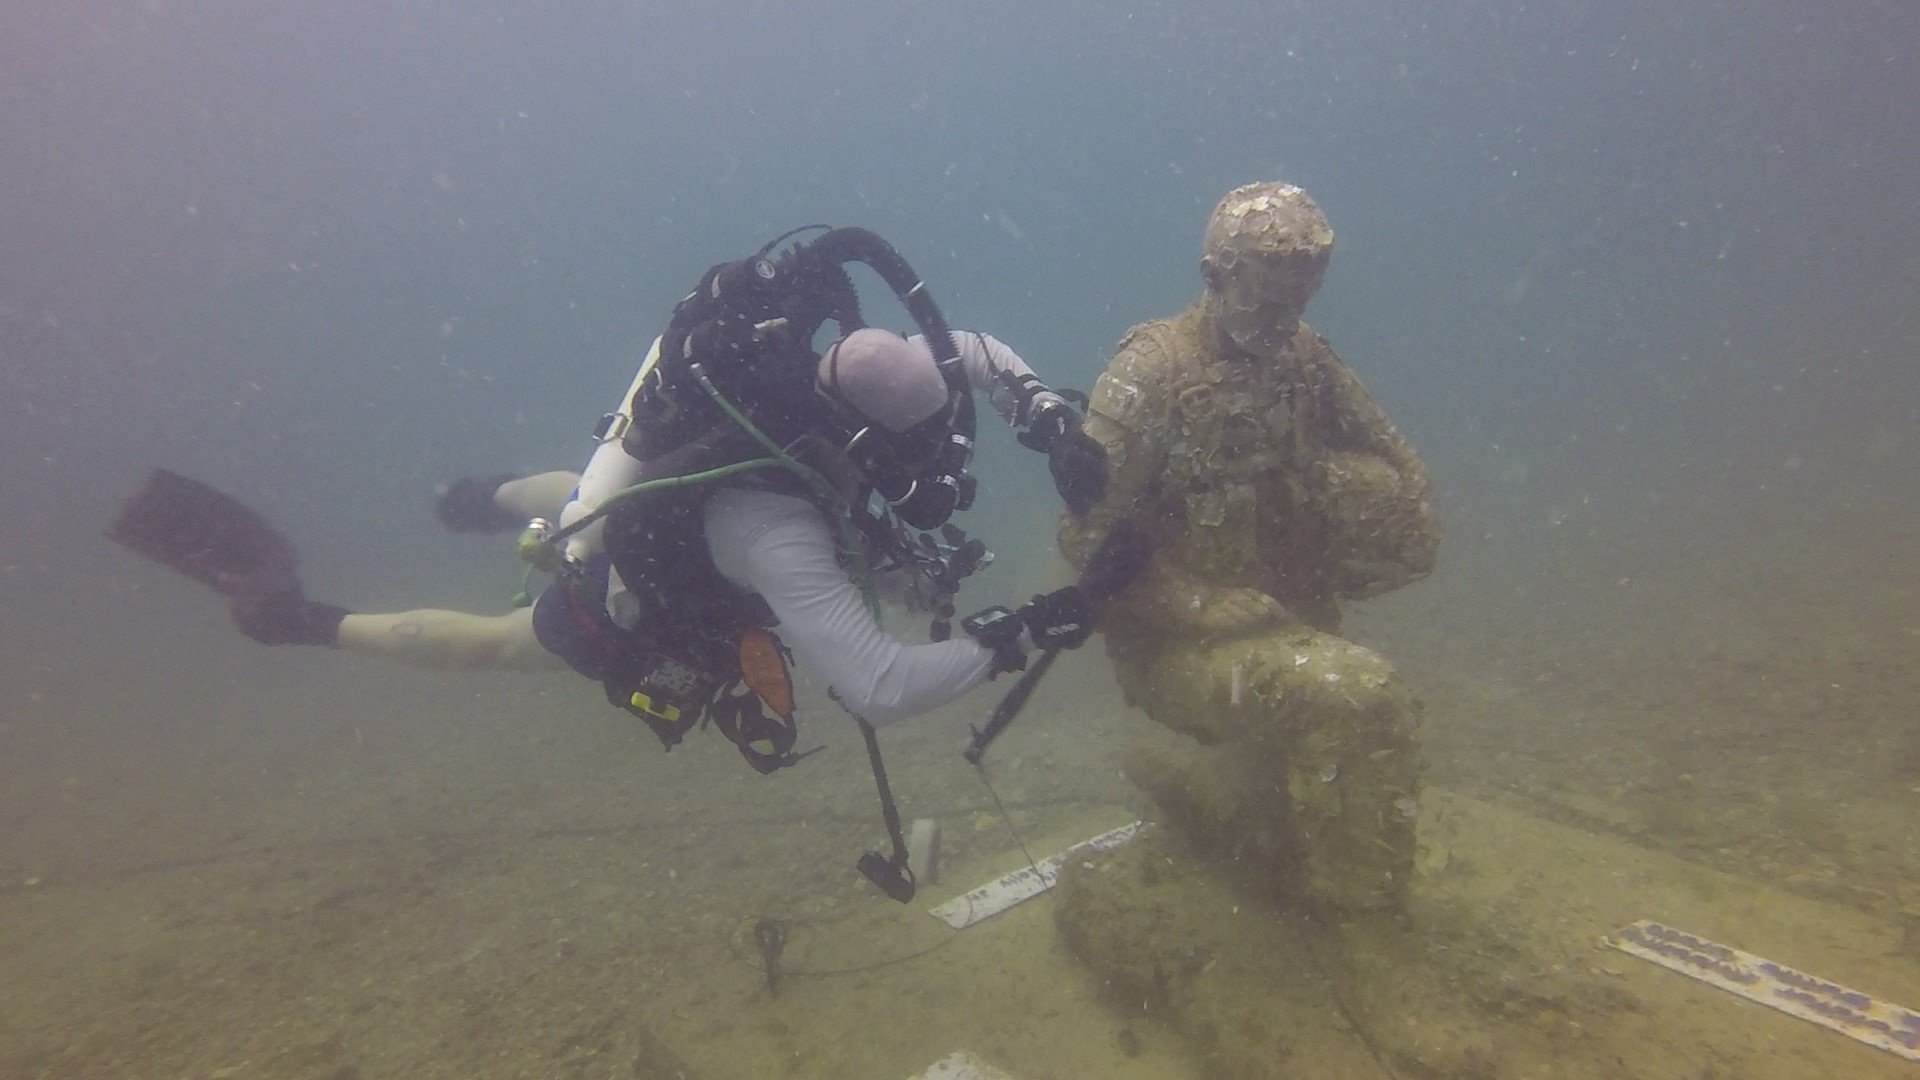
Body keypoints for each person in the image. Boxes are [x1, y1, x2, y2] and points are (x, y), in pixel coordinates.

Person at [117, 227, 1122, 898]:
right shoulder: (776, 529)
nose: (940, 470)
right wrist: (1026, 629)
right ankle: (300, 619)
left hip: (650, 493)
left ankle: (482, 496)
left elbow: (976, 353)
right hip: (641, 583)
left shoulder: (866, 369)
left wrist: (1047, 420)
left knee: (578, 491)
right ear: (854, 433)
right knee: (498, 643)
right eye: (920, 454)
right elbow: (880, 685)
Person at [1059, 182, 1439, 916]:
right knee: (1361, 697)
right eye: (1269, 300)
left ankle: (1213, 794)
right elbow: (1081, 530)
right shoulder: (1152, 374)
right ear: (1215, 276)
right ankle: (1357, 920)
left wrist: (1382, 521)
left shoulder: (1302, 354)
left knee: (1284, 805)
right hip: (1179, 645)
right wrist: (1194, 605)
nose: (1284, 320)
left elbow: (1399, 462)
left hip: (1282, 617)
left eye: (1300, 298)